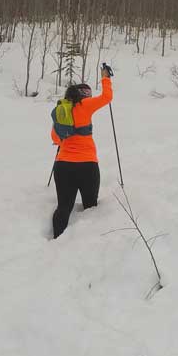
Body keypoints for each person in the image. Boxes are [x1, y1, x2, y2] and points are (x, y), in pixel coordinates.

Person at [49, 65, 113, 238]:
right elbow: (107, 97)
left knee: (64, 207)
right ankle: (86, 247)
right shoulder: (85, 105)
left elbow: (55, 138)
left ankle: (56, 241)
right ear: (85, 95)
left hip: (63, 166)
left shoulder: (62, 111)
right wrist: (105, 77)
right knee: (91, 208)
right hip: (87, 165)